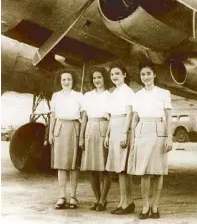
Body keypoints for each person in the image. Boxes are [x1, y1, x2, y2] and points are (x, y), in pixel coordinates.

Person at [128, 63, 172, 219]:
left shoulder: (164, 93)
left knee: (158, 171)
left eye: (148, 73)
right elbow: (134, 118)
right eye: (142, 74)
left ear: (154, 75)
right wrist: (133, 139)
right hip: (142, 130)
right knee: (144, 172)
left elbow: (168, 117)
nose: (145, 77)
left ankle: (155, 206)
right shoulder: (137, 95)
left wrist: (169, 137)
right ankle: (145, 206)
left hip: (159, 130)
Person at [49, 69, 83, 210]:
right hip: (59, 127)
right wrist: (51, 133)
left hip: (74, 127)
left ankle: (73, 196)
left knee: (74, 165)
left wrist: (81, 135)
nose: (66, 82)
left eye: (69, 79)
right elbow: (52, 116)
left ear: (73, 81)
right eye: (64, 79)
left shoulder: (79, 95)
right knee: (61, 164)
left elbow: (83, 115)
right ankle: (62, 196)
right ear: (60, 81)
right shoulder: (56, 96)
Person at [79, 68, 111, 211]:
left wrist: (109, 135)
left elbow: (112, 116)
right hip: (90, 128)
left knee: (104, 168)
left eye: (99, 77)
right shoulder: (87, 96)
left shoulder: (110, 95)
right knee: (92, 168)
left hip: (104, 127)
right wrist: (81, 137)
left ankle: (104, 200)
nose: (97, 80)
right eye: (94, 78)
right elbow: (84, 117)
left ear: (104, 78)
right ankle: (97, 199)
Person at [105, 63, 135, 215]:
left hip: (123, 127)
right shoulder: (114, 92)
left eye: (117, 73)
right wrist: (108, 134)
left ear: (124, 74)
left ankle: (128, 202)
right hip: (114, 127)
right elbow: (111, 116)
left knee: (123, 169)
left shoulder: (127, 91)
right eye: (112, 74)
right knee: (119, 169)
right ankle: (123, 201)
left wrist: (124, 133)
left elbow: (129, 114)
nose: (114, 76)